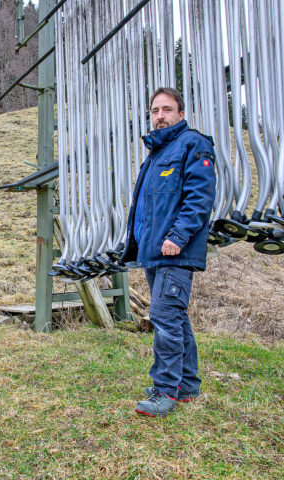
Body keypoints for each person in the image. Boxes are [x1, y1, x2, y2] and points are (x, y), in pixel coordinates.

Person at [121, 87, 217, 417]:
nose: (159, 116)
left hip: (176, 251)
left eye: (166, 109)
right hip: (155, 252)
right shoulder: (157, 155)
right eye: (155, 110)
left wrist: (178, 235)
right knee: (175, 318)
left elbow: (200, 197)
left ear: (180, 114)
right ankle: (187, 384)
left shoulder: (192, 144)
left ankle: (165, 391)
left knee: (164, 318)